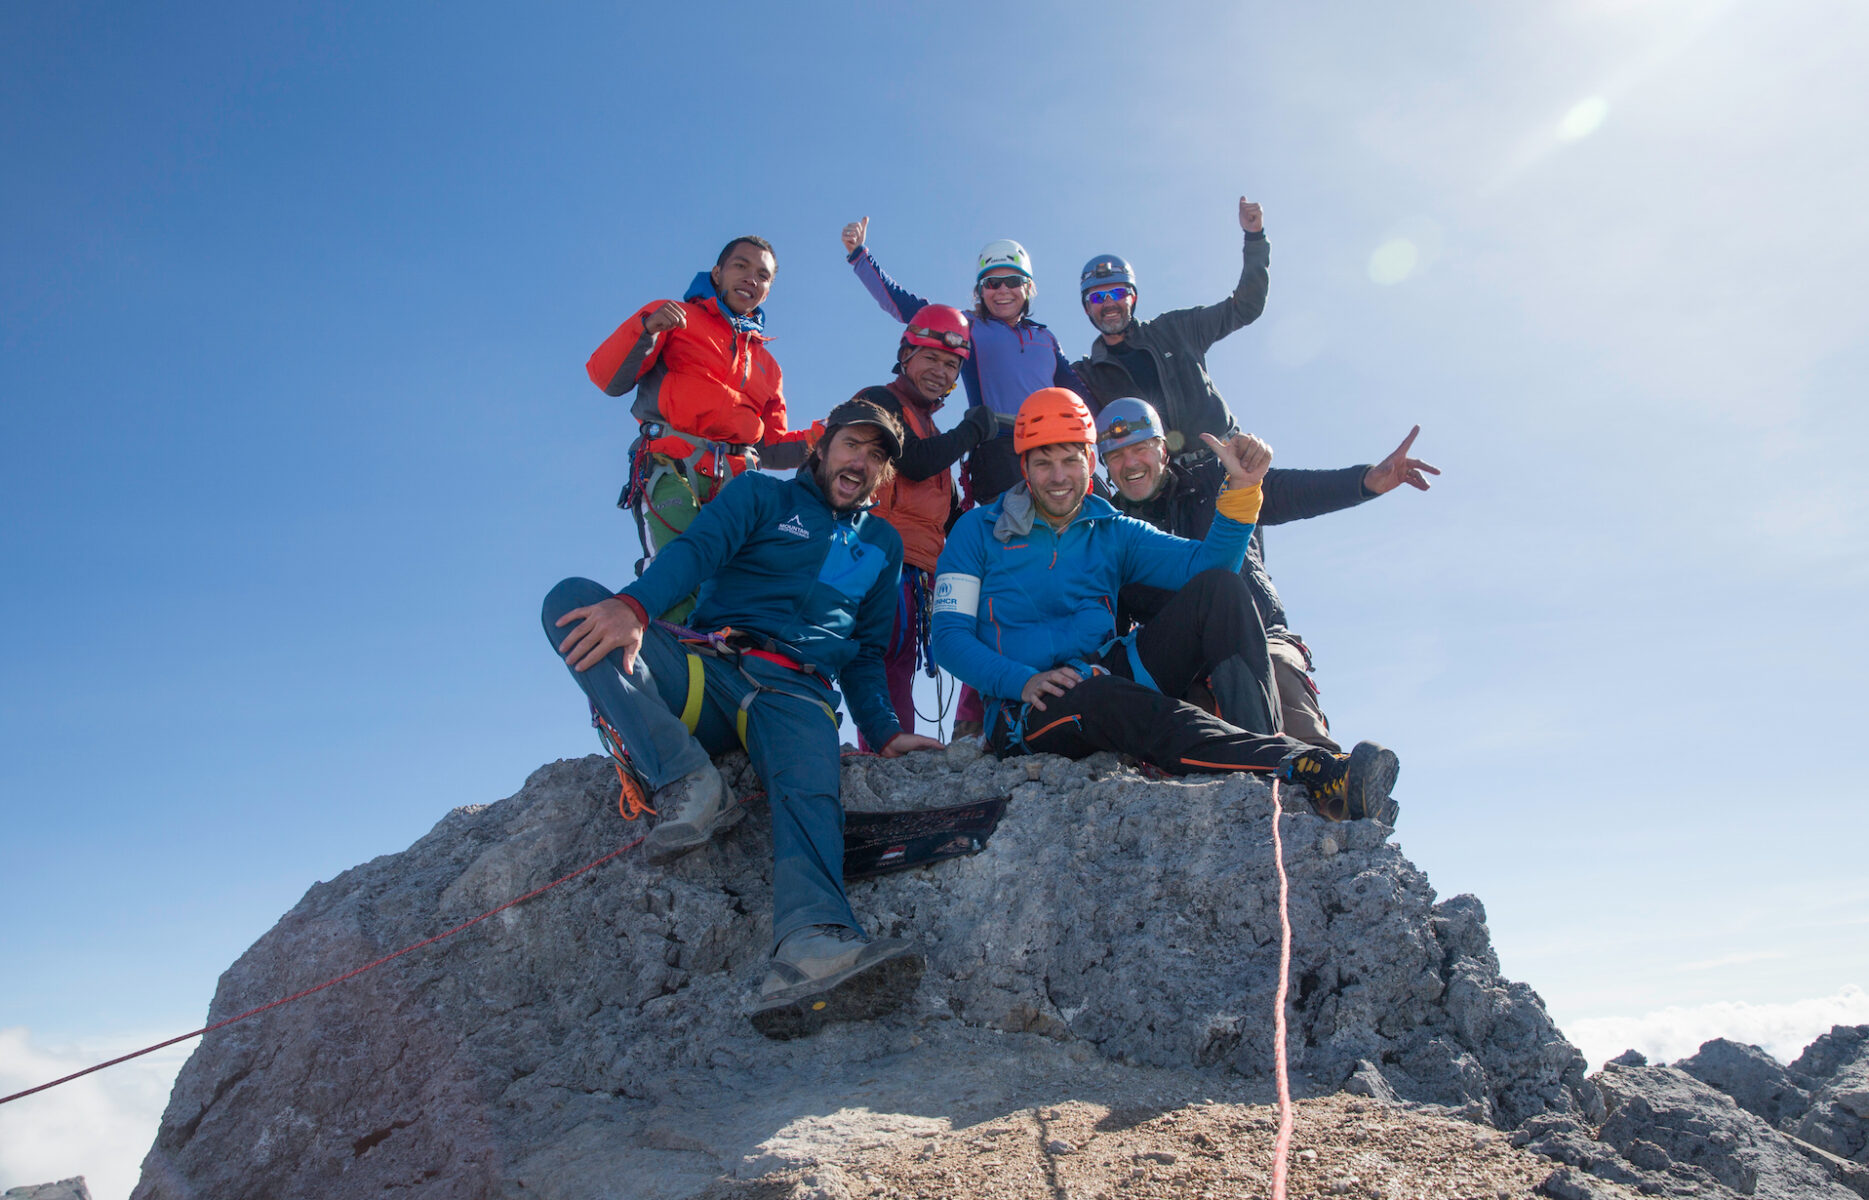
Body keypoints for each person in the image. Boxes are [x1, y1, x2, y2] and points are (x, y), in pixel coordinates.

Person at [542, 398, 943, 1039]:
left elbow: (867, 654)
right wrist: (635, 608)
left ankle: (811, 941)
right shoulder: (762, 496)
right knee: (571, 606)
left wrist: (885, 729)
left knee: (810, 793)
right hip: (711, 668)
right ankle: (688, 780)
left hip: (798, 694)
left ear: (884, 474)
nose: (861, 461)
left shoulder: (882, 545)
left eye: (877, 456)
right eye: (852, 445)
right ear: (822, 448)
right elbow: (696, 552)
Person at [931, 388, 1401, 823]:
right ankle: (1294, 763)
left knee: (1221, 590)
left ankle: (1264, 753)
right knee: (1103, 697)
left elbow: (1209, 566)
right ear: (1023, 466)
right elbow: (949, 638)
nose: (1058, 478)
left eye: (1071, 461)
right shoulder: (977, 530)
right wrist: (1022, 680)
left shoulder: (1112, 530)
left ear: (1090, 460)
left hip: (1101, 670)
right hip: (1027, 707)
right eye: (1043, 462)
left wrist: (1242, 488)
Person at [1097, 397, 1438, 749]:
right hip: (1183, 663)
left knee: (1280, 682)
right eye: (1116, 455)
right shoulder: (1107, 534)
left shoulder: (1221, 480)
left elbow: (1289, 492)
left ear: (1163, 449)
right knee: (1195, 731)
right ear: (1105, 465)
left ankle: (1328, 784)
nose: (1130, 462)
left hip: (1260, 634)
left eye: (1140, 448)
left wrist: (1366, 481)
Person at [586, 236, 820, 613]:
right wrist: (646, 330)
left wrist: (825, 436)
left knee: (735, 582)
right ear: (717, 273)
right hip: (670, 464)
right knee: (676, 567)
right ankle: (663, 653)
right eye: (740, 266)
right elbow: (607, 378)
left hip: (737, 481)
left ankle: (716, 665)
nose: (750, 278)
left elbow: (773, 447)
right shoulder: (673, 316)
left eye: (763, 275)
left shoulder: (769, 367)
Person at [841, 218, 1091, 506]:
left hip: (1054, 443)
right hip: (1000, 449)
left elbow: (1076, 391)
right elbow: (903, 306)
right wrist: (860, 256)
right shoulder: (967, 325)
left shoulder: (1046, 337)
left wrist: (1109, 433)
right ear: (980, 291)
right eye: (992, 283)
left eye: (1013, 282)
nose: (1002, 290)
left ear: (1028, 287)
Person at [845, 304, 997, 746]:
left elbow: (941, 509)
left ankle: (897, 751)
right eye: (930, 357)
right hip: (880, 557)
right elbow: (911, 463)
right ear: (905, 355)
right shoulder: (881, 399)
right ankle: (886, 749)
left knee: (897, 662)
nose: (940, 370)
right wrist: (972, 431)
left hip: (914, 568)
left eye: (951, 365)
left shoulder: (930, 426)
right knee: (880, 655)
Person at [1073, 197, 1270, 496]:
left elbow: (1245, 307)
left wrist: (1254, 238)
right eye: (1098, 298)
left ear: (1132, 298)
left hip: (1226, 467)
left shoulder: (1177, 329)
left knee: (1236, 543)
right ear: (1087, 308)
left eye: (1117, 292)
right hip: (1161, 490)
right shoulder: (1086, 375)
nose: (1109, 303)